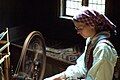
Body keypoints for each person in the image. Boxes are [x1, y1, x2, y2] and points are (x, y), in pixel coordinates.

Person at [44, 7, 118, 80]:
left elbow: (101, 78)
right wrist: (62, 76)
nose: (78, 32)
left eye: (80, 28)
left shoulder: (103, 49)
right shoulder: (91, 40)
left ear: (92, 25)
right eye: (77, 29)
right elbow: (83, 67)